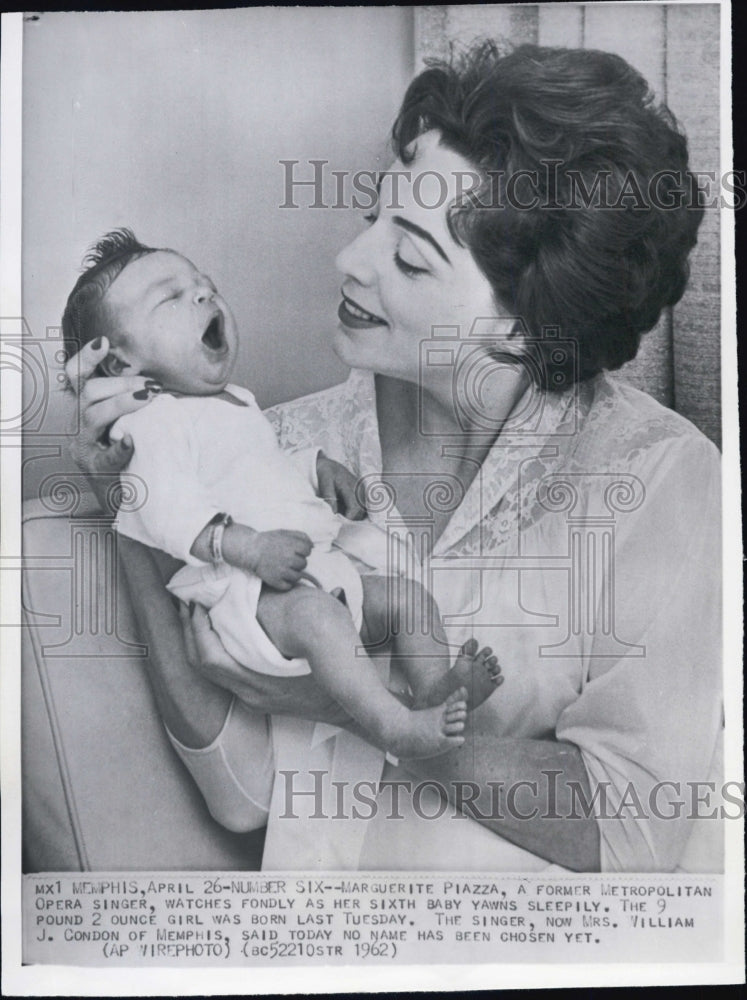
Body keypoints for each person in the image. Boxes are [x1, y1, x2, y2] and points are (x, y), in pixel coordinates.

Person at [66, 42, 722, 873]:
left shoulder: (661, 477)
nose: (350, 260)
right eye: (370, 215)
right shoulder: (284, 447)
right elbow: (242, 792)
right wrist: (129, 497)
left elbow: (631, 829)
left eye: (409, 255)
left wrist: (355, 711)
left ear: (523, 326)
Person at [61, 230, 501, 760]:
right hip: (244, 590)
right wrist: (248, 547)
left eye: (204, 285)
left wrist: (315, 468)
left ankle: (432, 693)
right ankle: (393, 726)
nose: (203, 295)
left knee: (408, 602)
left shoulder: (236, 401)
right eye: (171, 297)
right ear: (118, 364)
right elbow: (166, 510)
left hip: (307, 568)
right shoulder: (154, 425)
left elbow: (253, 471)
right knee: (319, 622)